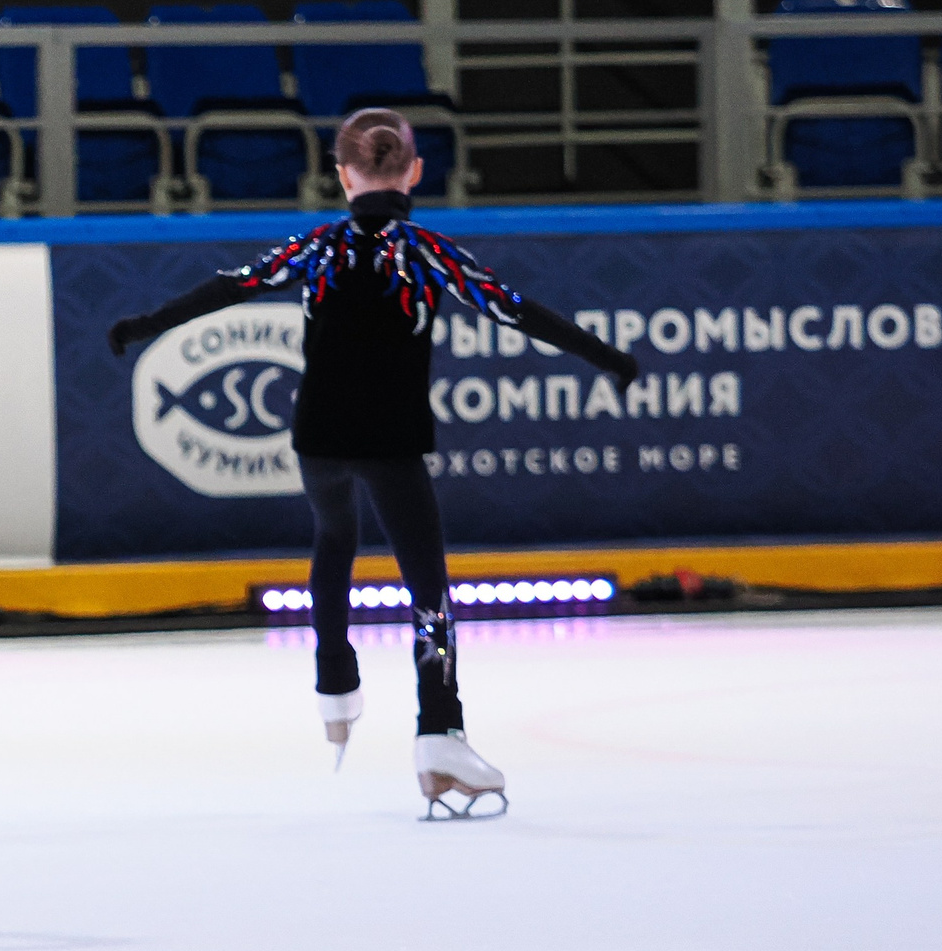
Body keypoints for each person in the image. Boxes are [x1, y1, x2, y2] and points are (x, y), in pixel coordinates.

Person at [107, 109, 638, 818]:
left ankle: (335, 689)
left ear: (340, 173)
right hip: (391, 437)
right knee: (427, 588)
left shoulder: (316, 247)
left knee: (334, 541)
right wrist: (605, 356)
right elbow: (517, 310)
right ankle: (439, 730)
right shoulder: (427, 252)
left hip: (319, 434)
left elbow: (230, 285)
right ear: (415, 171)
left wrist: (145, 325)